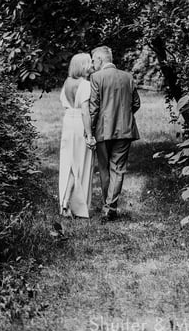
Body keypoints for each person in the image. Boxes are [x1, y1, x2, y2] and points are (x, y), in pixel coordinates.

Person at [89, 45, 141, 222]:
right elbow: (136, 104)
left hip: (103, 130)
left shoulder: (96, 77)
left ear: (101, 60)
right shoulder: (128, 77)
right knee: (118, 169)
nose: (92, 64)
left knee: (104, 169)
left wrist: (89, 130)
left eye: (93, 60)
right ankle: (110, 206)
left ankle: (107, 206)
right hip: (125, 130)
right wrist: (124, 115)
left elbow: (94, 108)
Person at [58, 53, 96, 218]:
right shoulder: (85, 85)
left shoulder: (66, 83)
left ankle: (65, 203)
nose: (91, 66)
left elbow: (64, 104)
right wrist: (89, 135)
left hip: (68, 122)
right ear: (83, 66)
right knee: (79, 165)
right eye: (89, 63)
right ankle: (70, 203)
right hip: (79, 122)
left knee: (68, 163)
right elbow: (85, 112)